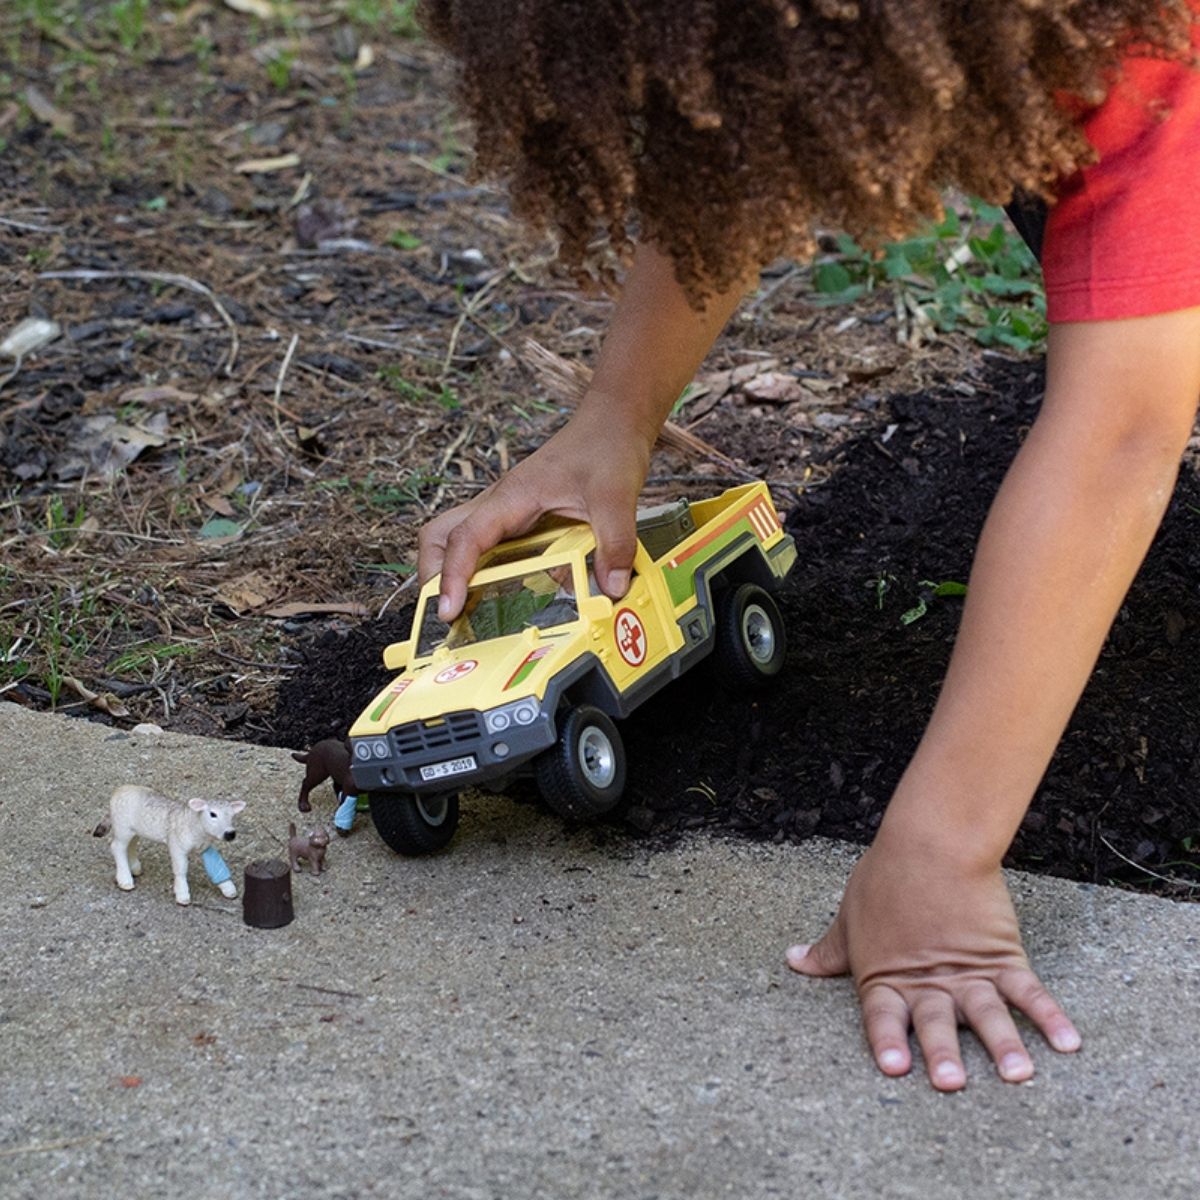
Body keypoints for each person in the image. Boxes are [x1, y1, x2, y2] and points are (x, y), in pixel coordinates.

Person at [413, 1, 1200, 1090]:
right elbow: (745, 147)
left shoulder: (1149, 55)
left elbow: (1118, 441)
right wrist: (614, 418)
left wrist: (940, 849)